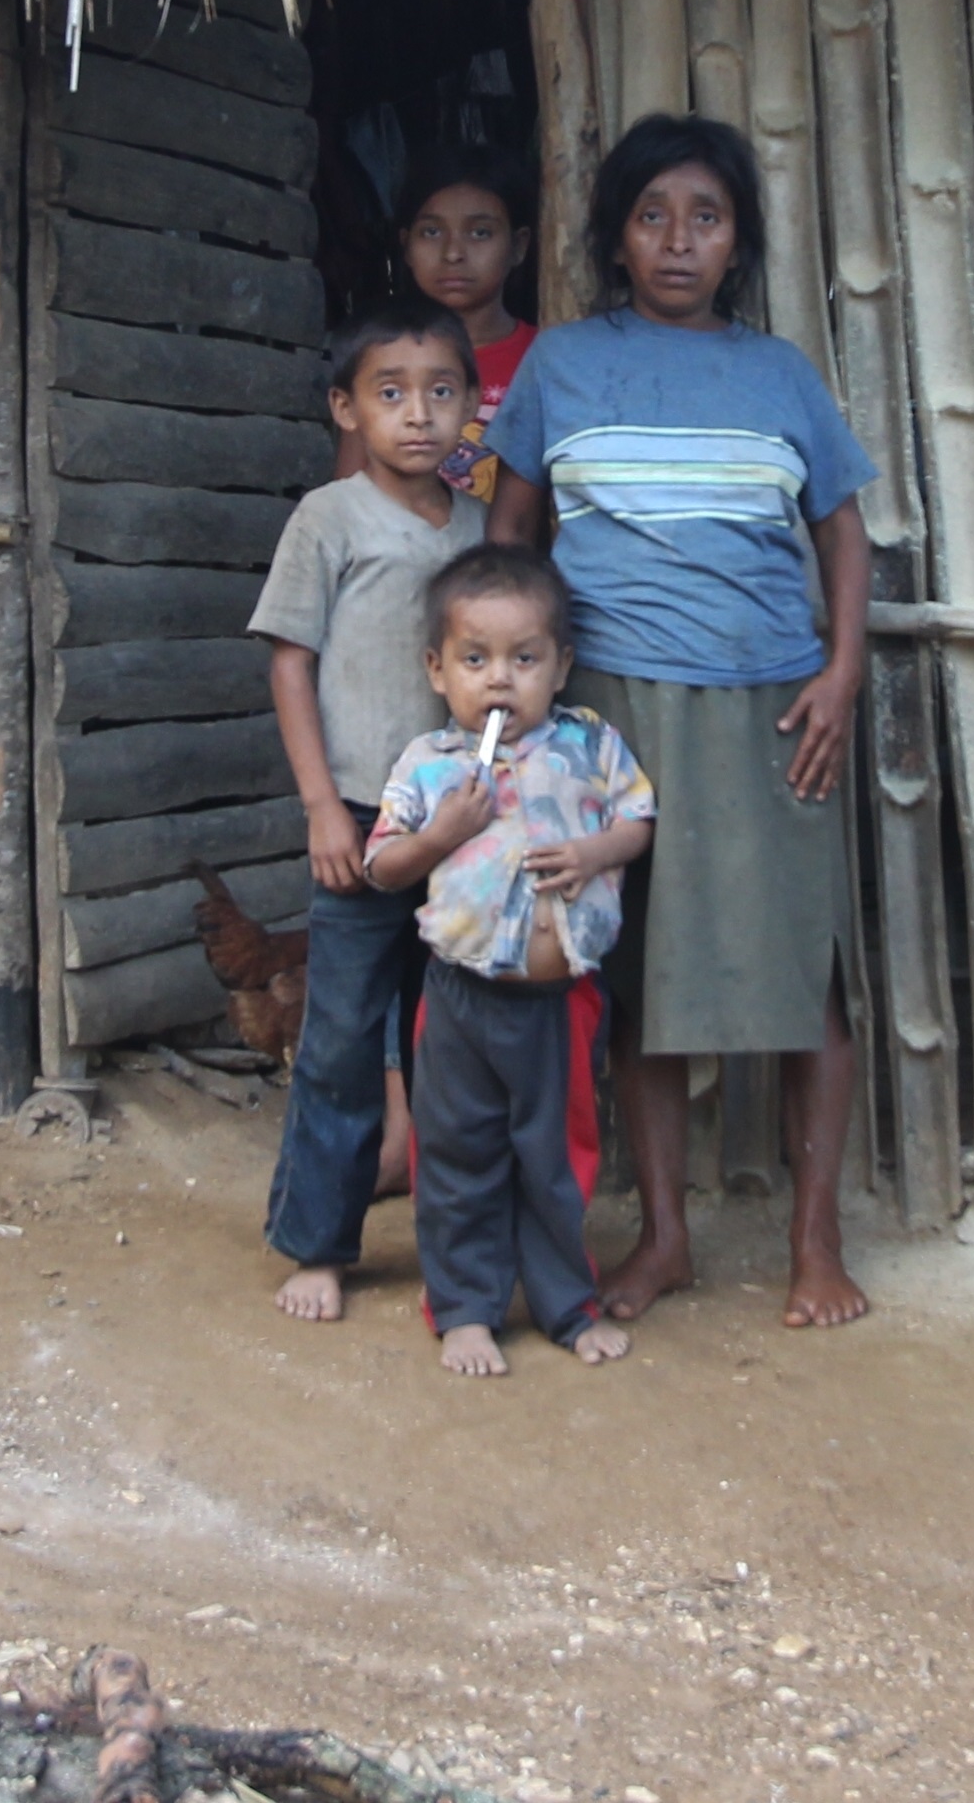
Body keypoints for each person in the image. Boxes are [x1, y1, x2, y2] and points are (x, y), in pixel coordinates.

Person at [483, 111, 878, 1330]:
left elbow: (842, 529)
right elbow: (509, 536)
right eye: (653, 215)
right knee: (642, 975)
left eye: (706, 218)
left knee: (801, 970)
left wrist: (843, 668)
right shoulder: (560, 366)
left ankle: (816, 1245)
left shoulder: (779, 374)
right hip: (609, 704)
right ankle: (666, 1239)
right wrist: (523, 698)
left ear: (738, 241)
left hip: (770, 702)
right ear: (614, 236)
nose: (677, 240)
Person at [360, 543, 655, 1375]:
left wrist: (598, 852)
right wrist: (442, 834)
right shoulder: (428, 766)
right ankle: (464, 1308)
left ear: (560, 667)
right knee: (455, 1157)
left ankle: (568, 1306)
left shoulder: (592, 744)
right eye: (475, 660)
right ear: (437, 669)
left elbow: (640, 820)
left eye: (524, 660)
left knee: (558, 1158)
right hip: (458, 999)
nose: (500, 681)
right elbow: (382, 867)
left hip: (560, 1000)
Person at [250, 297, 485, 1321]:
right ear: (347, 409)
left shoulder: (481, 527)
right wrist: (320, 808)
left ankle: (467, 1248)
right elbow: (290, 664)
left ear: (474, 407)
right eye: (391, 395)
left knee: (460, 1041)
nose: (419, 416)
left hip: (466, 823)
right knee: (342, 1037)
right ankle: (318, 1243)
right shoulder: (328, 517)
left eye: (442, 393)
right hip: (358, 810)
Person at [332, 152, 536, 502]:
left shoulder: (543, 358)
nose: (453, 253)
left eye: (480, 233)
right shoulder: (378, 358)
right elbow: (348, 499)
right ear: (406, 246)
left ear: (518, 246)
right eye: (431, 232)